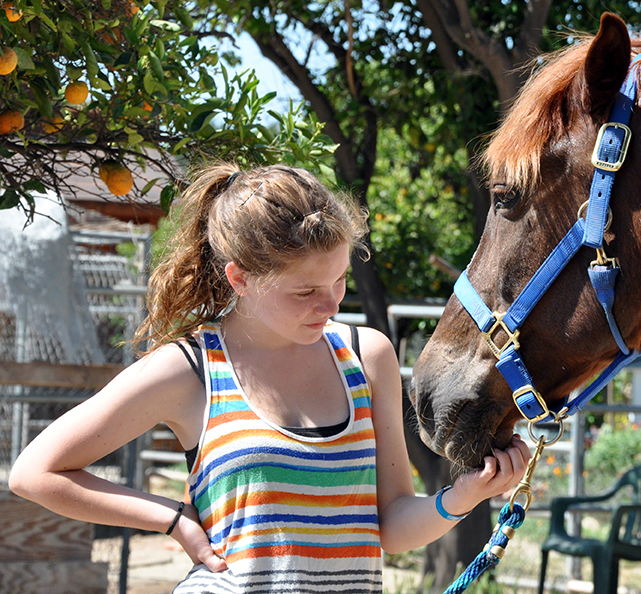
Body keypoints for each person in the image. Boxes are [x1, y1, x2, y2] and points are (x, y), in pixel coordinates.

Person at [9, 163, 530, 593]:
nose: (331, 305)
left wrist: (462, 497)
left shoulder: (367, 355)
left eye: (340, 279)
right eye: (305, 292)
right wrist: (173, 518)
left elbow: (389, 524)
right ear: (240, 277)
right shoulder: (189, 368)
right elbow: (36, 473)